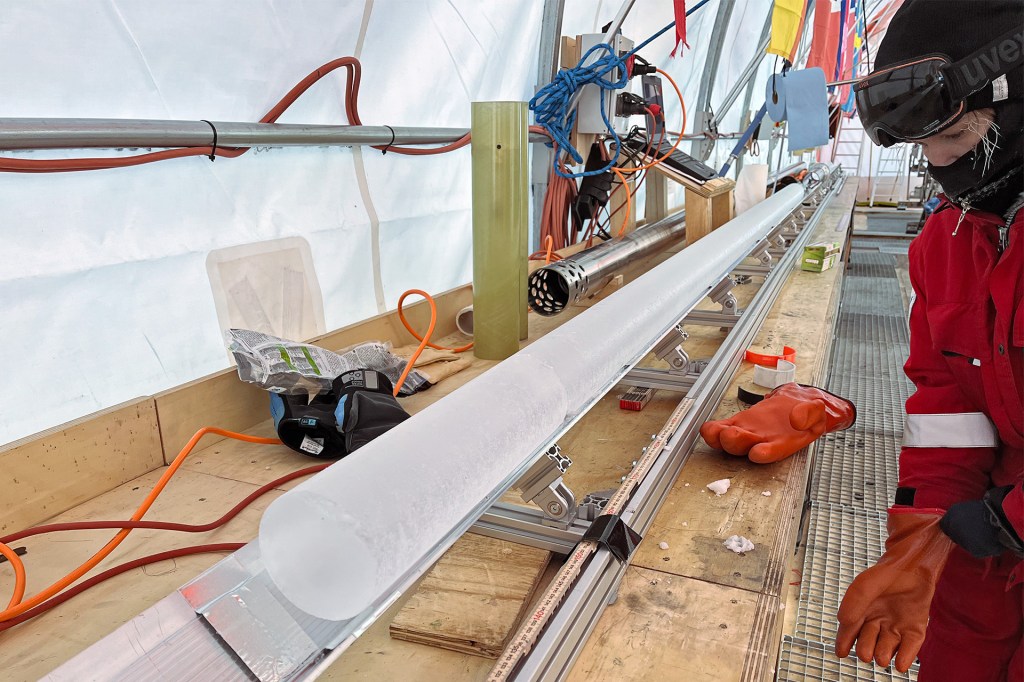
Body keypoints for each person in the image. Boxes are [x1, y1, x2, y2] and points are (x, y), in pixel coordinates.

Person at [835, 1, 1024, 680]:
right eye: (921, 147)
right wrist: (919, 542)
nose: (939, 164)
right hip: (980, 543)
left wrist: (1009, 520)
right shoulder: (945, 245)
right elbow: (946, 401)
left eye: (953, 136)